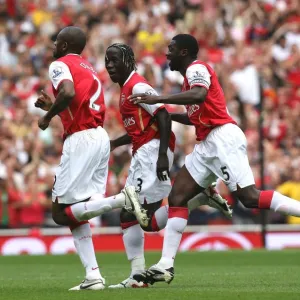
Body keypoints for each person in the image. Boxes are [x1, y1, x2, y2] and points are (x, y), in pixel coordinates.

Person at [129, 34, 300, 285]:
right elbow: (195, 114)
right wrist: (166, 114)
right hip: (206, 144)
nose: (167, 54)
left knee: (249, 197)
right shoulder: (188, 81)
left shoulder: (197, 68)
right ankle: (166, 265)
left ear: (185, 52)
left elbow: (199, 96)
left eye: (171, 49)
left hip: (222, 138)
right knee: (177, 197)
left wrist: (158, 99)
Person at [104, 43, 232, 288]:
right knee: (142, 219)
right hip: (144, 151)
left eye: (114, 60)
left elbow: (162, 116)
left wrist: (163, 154)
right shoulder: (125, 90)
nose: (109, 65)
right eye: (106, 60)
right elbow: (141, 128)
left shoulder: (138, 86)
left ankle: (136, 275)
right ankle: (197, 199)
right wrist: (114, 144)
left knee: (132, 211)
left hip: (152, 153)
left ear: (128, 62)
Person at [35, 26, 148, 291]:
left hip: (81, 140)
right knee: (78, 211)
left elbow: (68, 93)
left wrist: (47, 115)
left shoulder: (60, 64)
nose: (53, 45)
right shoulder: (88, 67)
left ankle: (121, 199)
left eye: (56, 41)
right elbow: (75, 104)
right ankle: (93, 275)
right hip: (98, 136)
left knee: (60, 213)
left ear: (64, 46)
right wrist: (52, 106)